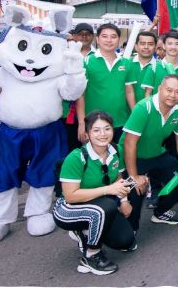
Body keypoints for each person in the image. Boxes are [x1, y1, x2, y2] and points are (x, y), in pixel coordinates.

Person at [53, 111, 136, 275]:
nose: (103, 134)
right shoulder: (76, 158)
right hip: (68, 209)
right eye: (96, 130)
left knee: (126, 240)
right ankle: (91, 255)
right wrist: (109, 190)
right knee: (107, 207)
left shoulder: (116, 150)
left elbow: (118, 179)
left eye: (107, 129)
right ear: (87, 134)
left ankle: (86, 231)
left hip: (98, 203)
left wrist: (125, 201)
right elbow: (70, 196)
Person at [119, 75, 178, 230]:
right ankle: (130, 228)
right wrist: (134, 177)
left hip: (156, 153)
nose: (173, 95)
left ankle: (161, 211)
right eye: (169, 90)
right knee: (135, 194)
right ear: (159, 89)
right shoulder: (144, 107)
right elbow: (129, 144)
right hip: (132, 158)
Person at [77, 23, 134, 142]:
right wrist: (82, 124)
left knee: (118, 156)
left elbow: (129, 92)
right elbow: (80, 95)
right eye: (104, 36)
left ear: (119, 39)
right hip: (94, 124)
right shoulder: (86, 62)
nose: (109, 40)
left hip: (120, 122)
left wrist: (135, 116)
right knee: (95, 158)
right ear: (97, 39)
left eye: (113, 36)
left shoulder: (126, 63)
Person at [142, 31, 178, 96]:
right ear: (164, 46)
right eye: (170, 44)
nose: (173, 47)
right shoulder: (153, 67)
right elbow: (148, 93)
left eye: (177, 44)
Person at [127, 31, 157, 104]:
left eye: (150, 44)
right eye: (143, 44)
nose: (146, 47)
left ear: (155, 47)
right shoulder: (126, 64)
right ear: (136, 46)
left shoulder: (160, 67)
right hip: (125, 113)